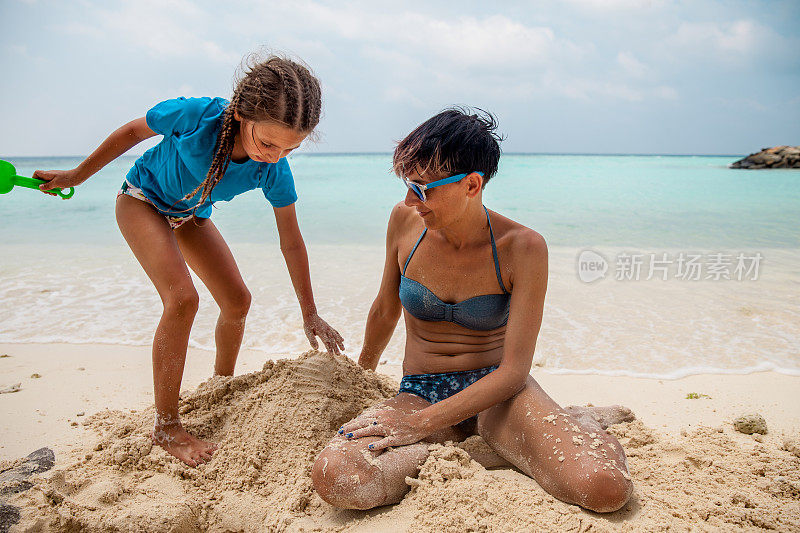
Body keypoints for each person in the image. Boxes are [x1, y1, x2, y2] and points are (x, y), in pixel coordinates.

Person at [311, 108, 633, 513]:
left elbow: (514, 370)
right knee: (339, 478)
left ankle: (574, 424)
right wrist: (362, 379)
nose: (411, 200)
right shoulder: (404, 220)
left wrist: (417, 428)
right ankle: (479, 447)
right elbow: (384, 311)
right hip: (421, 392)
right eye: (408, 185)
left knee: (603, 489)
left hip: (498, 395)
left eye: (423, 188)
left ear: (471, 184)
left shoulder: (523, 247)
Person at [34, 55, 344, 467]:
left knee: (238, 300)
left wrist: (310, 312)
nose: (275, 156)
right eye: (268, 143)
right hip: (141, 201)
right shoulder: (196, 115)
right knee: (183, 299)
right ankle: (166, 426)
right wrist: (77, 175)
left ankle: (222, 385)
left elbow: (291, 242)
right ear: (240, 114)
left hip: (188, 217)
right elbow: (132, 132)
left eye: (292, 147)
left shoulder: (275, 169)